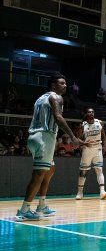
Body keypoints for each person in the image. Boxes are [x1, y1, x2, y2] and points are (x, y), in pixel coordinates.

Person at [16, 73, 84, 221]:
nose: (65, 85)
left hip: (34, 137)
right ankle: (24, 209)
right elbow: (58, 117)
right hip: (44, 137)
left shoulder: (40, 98)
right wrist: (72, 136)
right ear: (53, 85)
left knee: (50, 169)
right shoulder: (56, 97)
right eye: (62, 83)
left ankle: (42, 205)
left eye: (65, 83)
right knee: (39, 174)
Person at [75, 108, 106, 200]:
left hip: (97, 148)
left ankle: (102, 191)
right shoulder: (83, 125)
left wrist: (104, 146)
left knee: (99, 169)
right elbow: (77, 138)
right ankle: (80, 192)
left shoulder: (100, 122)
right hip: (87, 149)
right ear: (86, 114)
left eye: (93, 112)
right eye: (89, 112)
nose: (91, 113)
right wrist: (84, 143)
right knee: (83, 171)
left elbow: (104, 135)